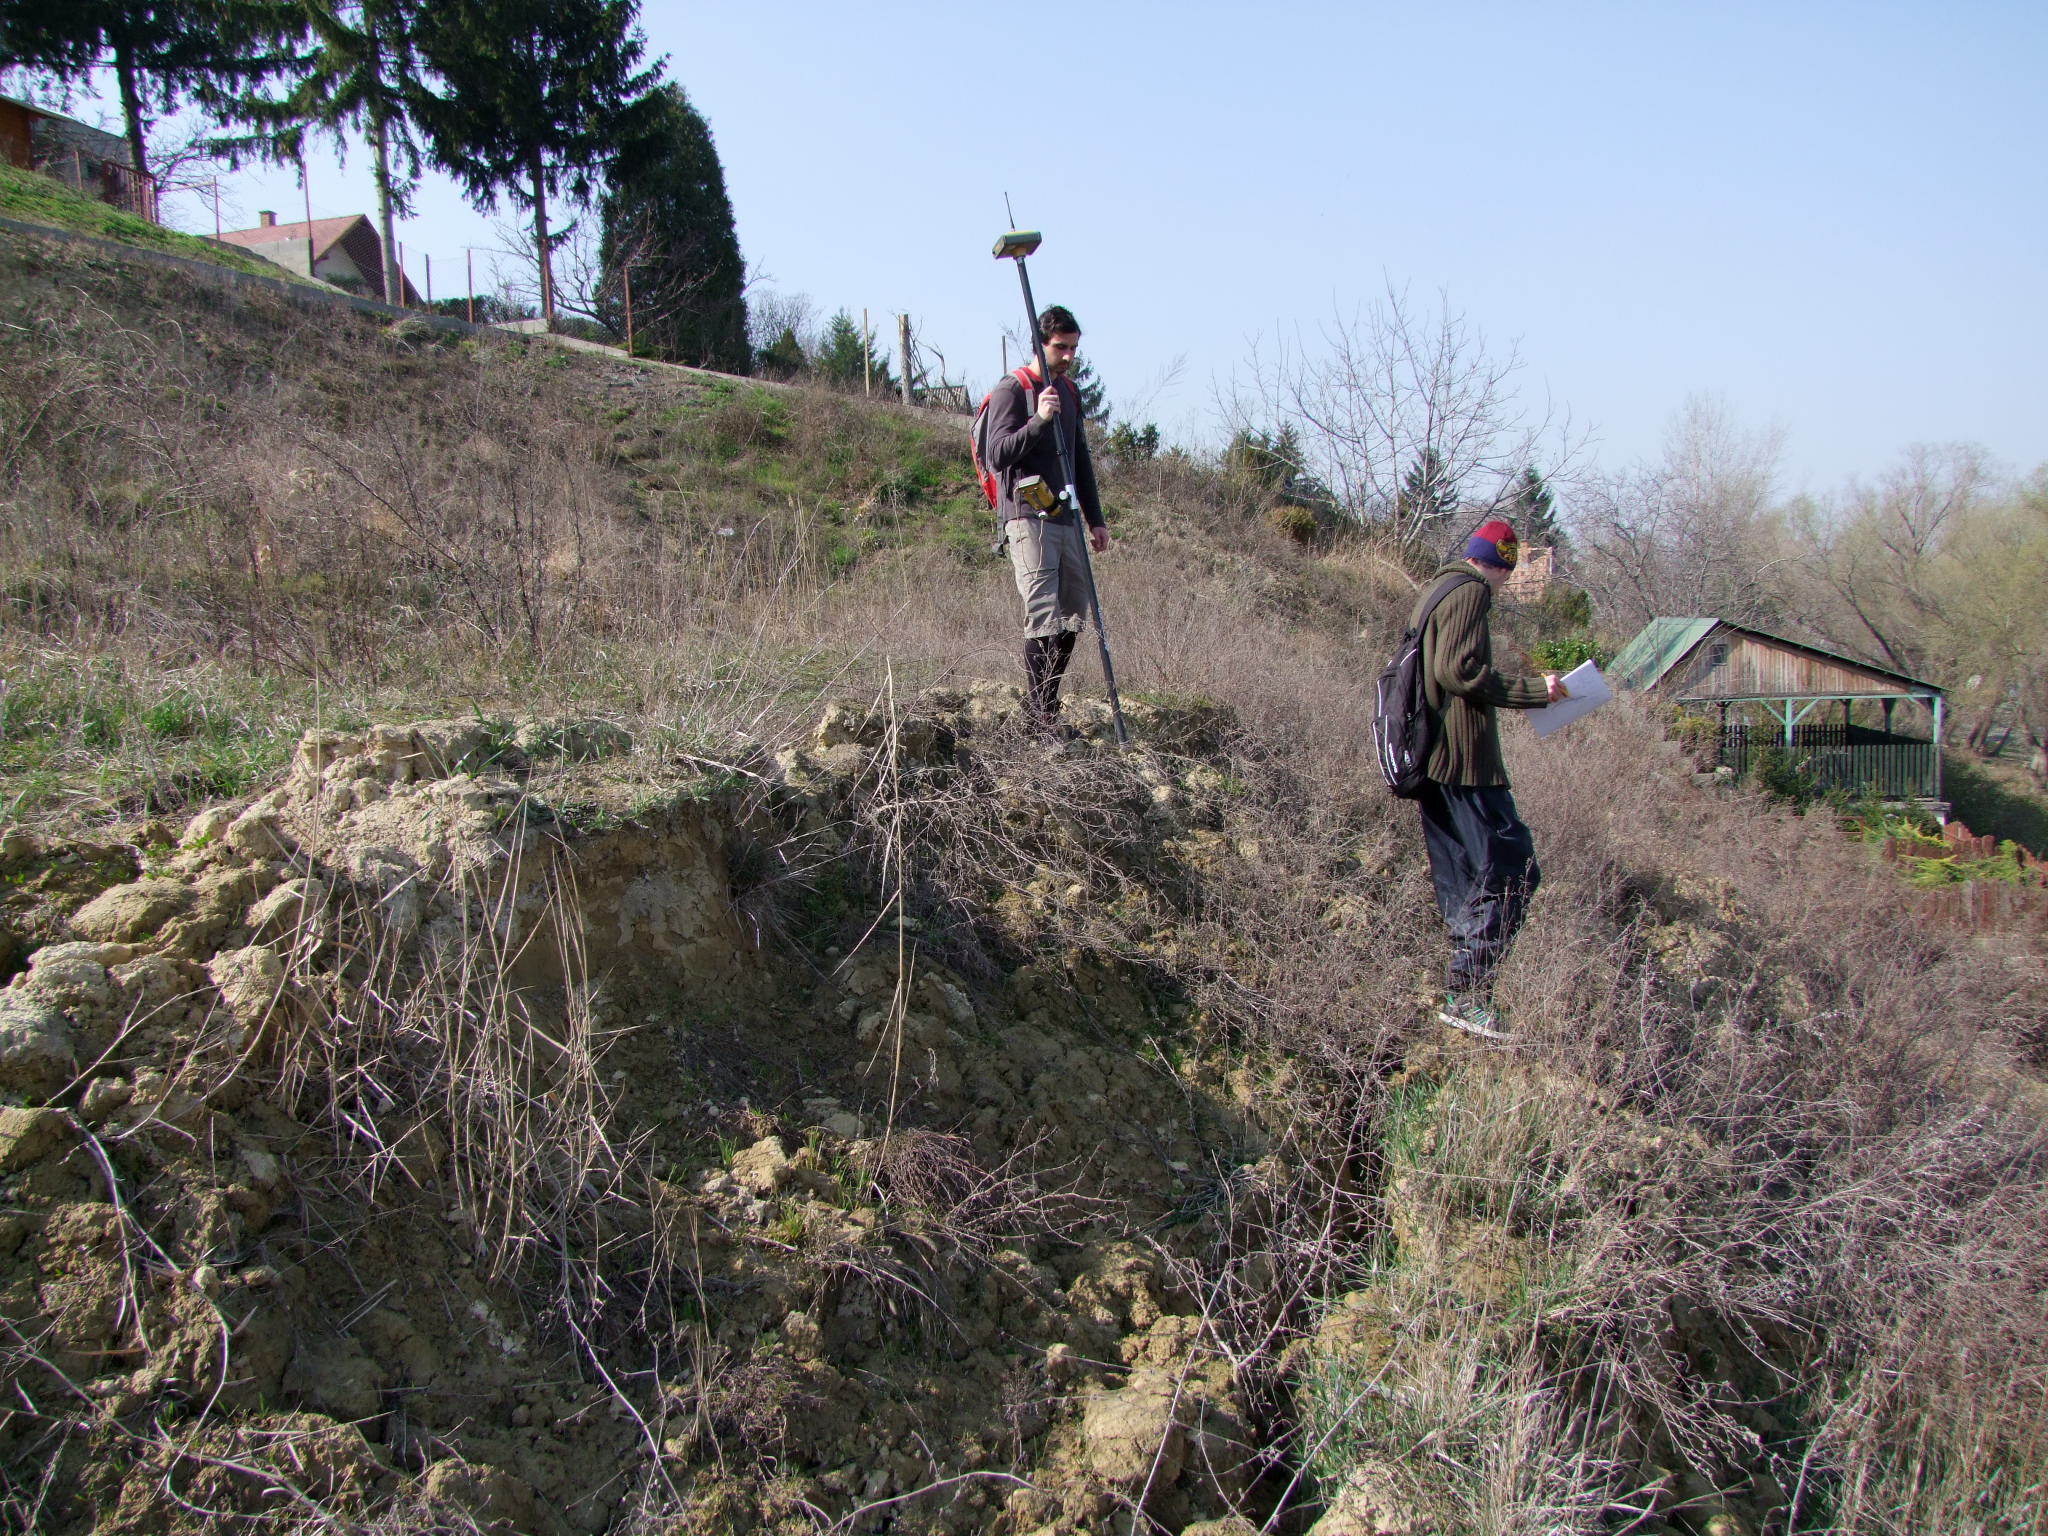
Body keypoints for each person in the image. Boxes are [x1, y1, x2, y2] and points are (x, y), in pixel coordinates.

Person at [1410, 518, 1566, 1039]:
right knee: (1512, 870)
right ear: (1503, 565)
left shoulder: (1437, 589)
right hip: (1464, 762)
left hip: (1433, 761)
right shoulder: (1471, 591)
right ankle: (1468, 994)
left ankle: (1462, 993)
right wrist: (1537, 692)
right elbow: (1458, 672)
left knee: (1465, 878)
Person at [982, 305, 1111, 737]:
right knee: (1043, 613)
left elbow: (1080, 458)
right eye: (1061, 347)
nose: (1069, 356)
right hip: (1026, 516)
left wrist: (1095, 518)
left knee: (1074, 611)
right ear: (1040, 344)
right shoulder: (1012, 389)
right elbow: (996, 455)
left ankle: (1046, 705)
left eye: (1074, 348)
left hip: (1066, 517)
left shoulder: (1070, 391)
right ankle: (1040, 717)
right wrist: (1038, 420)